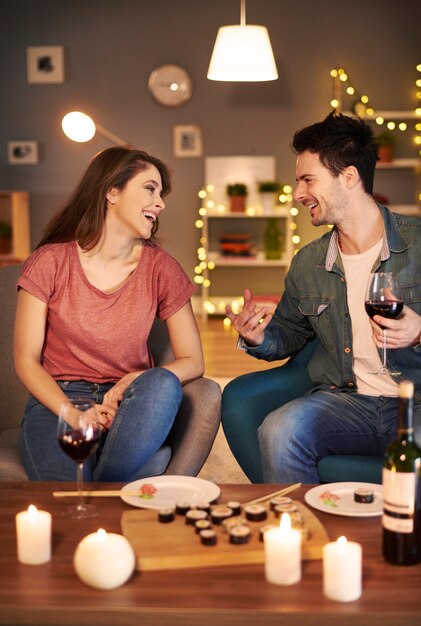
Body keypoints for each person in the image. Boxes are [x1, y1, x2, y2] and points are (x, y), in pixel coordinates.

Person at [226, 112, 421, 484]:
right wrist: (258, 336)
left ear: (348, 177)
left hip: (417, 403)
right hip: (348, 401)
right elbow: (288, 334)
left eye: (307, 180)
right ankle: (303, 534)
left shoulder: (419, 244)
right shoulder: (309, 263)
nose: (299, 194)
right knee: (278, 430)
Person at [14, 146, 204, 481]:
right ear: (111, 191)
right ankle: (114, 483)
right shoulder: (49, 262)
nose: (160, 203)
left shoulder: (162, 268)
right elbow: (26, 359)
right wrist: (74, 416)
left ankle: (104, 482)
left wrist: (135, 379)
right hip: (60, 399)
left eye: (161, 193)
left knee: (162, 381)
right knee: (64, 491)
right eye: (150, 188)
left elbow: (193, 360)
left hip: (130, 400)